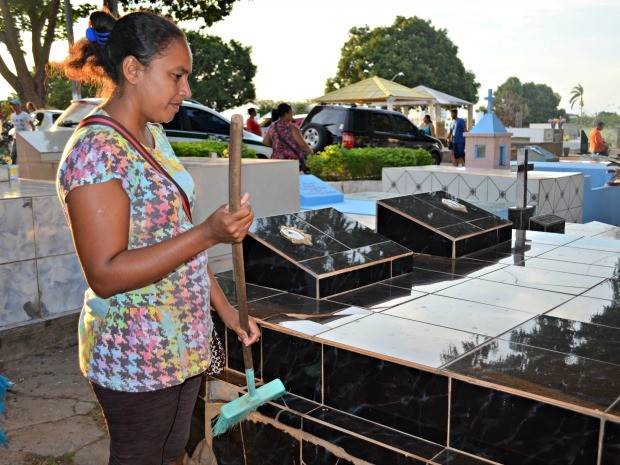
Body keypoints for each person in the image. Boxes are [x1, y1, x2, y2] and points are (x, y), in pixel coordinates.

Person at [56, 9, 260, 465]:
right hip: (136, 353)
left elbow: (175, 236)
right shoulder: (96, 152)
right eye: (176, 76)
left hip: (182, 342)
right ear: (133, 69)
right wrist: (209, 233)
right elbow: (106, 273)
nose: (186, 91)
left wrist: (225, 311)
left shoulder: (152, 136)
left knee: (171, 453)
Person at [263, 102, 313, 172]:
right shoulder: (291, 126)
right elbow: (302, 144)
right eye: (291, 112)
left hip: (275, 159)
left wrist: (278, 146)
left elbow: (265, 142)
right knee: (291, 181)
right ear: (286, 114)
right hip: (290, 160)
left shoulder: (272, 126)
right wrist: (311, 152)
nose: (293, 114)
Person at [9, 99, 34, 164]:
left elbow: (32, 125)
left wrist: (33, 134)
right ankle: (13, 168)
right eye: (12, 106)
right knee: (13, 155)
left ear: (18, 105)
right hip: (16, 138)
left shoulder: (24, 114)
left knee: (25, 155)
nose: (13, 107)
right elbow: (14, 126)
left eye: (14, 105)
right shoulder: (12, 116)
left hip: (25, 137)